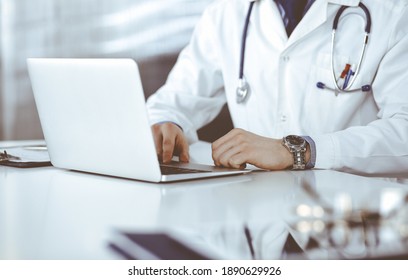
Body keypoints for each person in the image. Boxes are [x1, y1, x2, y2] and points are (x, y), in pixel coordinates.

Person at [146, 0, 408, 176]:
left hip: (354, 217)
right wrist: (166, 123)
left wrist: (301, 151)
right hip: (258, 211)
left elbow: (404, 130)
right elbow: (174, 99)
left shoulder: (394, 12)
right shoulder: (228, 10)